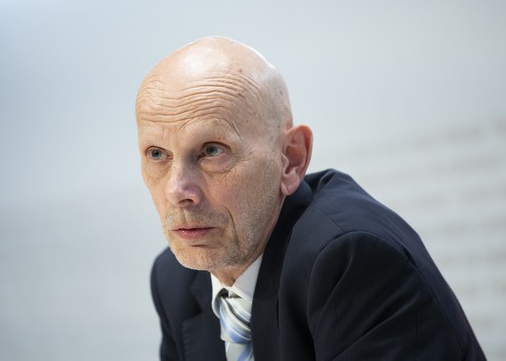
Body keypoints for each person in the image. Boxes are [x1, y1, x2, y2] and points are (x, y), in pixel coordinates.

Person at [135, 36, 485, 360]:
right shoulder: (175, 278)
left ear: (291, 159)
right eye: (156, 154)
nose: (177, 190)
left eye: (212, 150)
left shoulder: (351, 259)